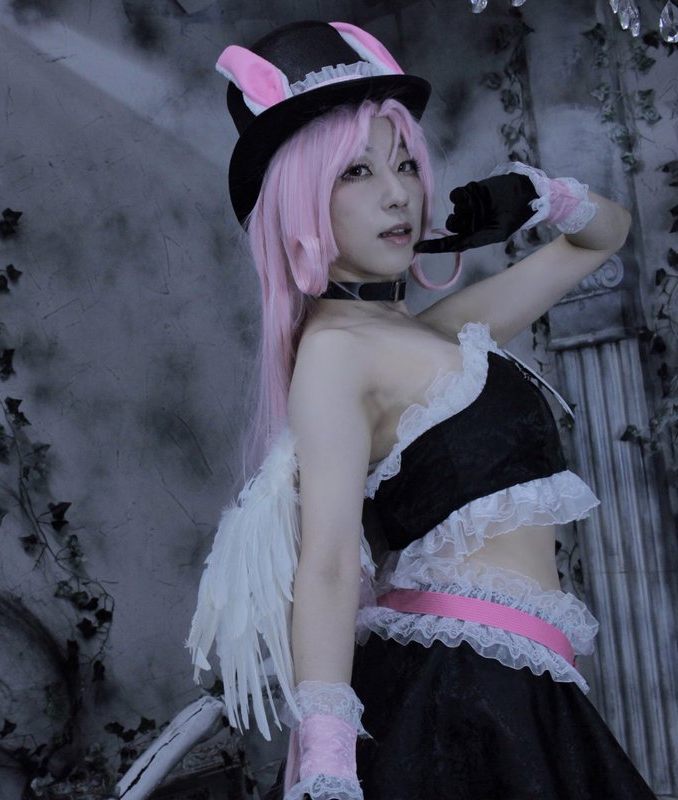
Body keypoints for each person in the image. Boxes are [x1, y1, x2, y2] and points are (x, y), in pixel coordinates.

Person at [186, 19, 658, 800]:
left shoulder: (428, 333)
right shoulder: (336, 352)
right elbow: (328, 563)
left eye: (405, 162)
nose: (398, 191)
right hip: (457, 697)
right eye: (357, 172)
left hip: (512, 684)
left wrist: (541, 198)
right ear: (300, 202)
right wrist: (328, 764)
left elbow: (602, 238)